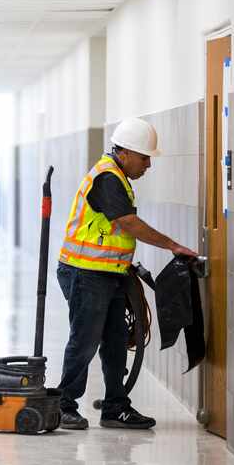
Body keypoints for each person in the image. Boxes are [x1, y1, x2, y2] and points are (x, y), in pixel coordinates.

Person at [56, 117, 198, 431]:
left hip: (108, 272)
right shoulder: (107, 178)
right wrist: (172, 245)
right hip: (85, 272)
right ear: (127, 153)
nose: (148, 164)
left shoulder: (117, 176)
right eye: (145, 157)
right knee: (85, 340)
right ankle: (63, 404)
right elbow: (127, 223)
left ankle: (115, 407)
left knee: (116, 340)